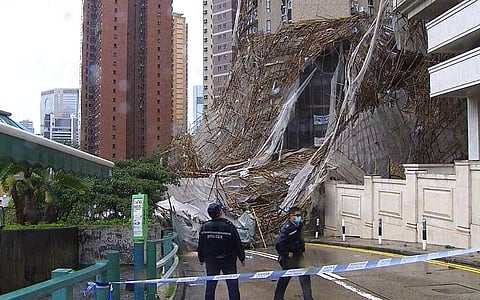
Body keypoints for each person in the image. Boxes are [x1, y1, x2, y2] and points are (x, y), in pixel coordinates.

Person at [197, 203, 246, 300]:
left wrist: (201, 258)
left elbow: (201, 245)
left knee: (210, 284)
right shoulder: (228, 226)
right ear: (220, 212)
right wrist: (242, 257)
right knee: (232, 285)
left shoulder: (205, 227)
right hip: (228, 260)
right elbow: (237, 243)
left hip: (211, 261)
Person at [273, 206, 313, 300]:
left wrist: (302, 248)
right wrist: (286, 253)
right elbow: (279, 243)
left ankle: (308, 297)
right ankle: (278, 298)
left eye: (300, 215)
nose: (299, 217)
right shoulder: (287, 228)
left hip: (298, 255)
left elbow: (300, 238)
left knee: (305, 275)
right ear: (291, 216)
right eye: (297, 215)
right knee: (285, 277)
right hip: (289, 258)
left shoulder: (299, 225)